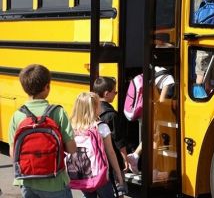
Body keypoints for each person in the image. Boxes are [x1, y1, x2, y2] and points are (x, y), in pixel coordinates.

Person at [8, 64, 77, 198]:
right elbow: (72, 149)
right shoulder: (58, 112)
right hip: (55, 181)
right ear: (47, 87)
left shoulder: (17, 116)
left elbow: (13, 153)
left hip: (27, 181)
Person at [70, 92, 124, 198]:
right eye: (99, 104)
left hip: (82, 173)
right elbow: (111, 153)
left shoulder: (73, 127)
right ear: (94, 108)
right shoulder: (101, 127)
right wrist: (118, 173)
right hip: (100, 175)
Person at [127, 66, 174, 181]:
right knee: (155, 141)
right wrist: (175, 102)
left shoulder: (154, 69)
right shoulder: (168, 78)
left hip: (147, 110)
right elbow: (162, 101)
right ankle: (153, 170)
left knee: (150, 137)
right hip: (157, 113)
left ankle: (135, 156)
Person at [93, 76, 128, 196]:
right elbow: (118, 141)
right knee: (119, 190)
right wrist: (125, 159)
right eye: (115, 92)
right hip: (113, 162)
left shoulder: (91, 111)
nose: (116, 94)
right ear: (107, 94)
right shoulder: (111, 115)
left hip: (97, 161)